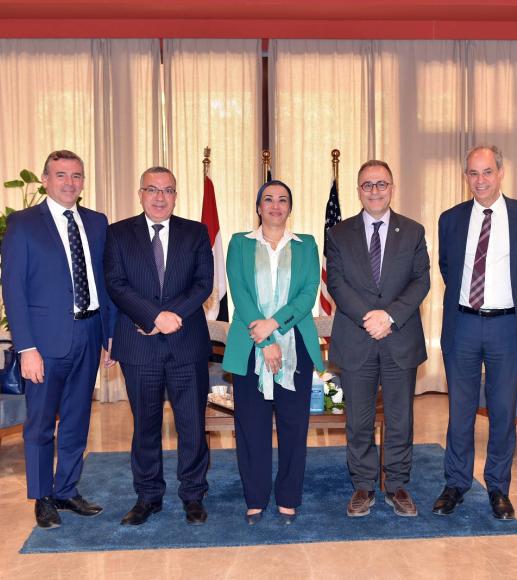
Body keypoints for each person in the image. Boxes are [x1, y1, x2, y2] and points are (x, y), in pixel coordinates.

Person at [1, 150, 116, 529]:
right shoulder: (23, 224)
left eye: (77, 176)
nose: (70, 183)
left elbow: (106, 282)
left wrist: (109, 334)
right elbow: (13, 289)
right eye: (62, 175)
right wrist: (26, 348)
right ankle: (42, 497)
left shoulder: (97, 222)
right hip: (44, 344)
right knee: (39, 424)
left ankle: (67, 489)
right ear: (46, 180)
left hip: (89, 332)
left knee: (77, 419)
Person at [433, 145, 517, 520]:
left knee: (501, 412)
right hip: (462, 324)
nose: (480, 181)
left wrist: (502, 305)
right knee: (460, 412)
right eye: (472, 174)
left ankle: (498, 487)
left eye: (486, 172)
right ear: (466, 177)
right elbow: (448, 268)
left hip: (505, 327)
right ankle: (456, 484)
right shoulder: (450, 219)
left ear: (500, 171)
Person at [104, 166, 213, 526]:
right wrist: (152, 317)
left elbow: (203, 284)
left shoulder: (195, 232)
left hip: (186, 344)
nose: (160, 197)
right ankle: (148, 496)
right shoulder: (118, 233)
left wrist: (170, 316)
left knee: (193, 426)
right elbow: (116, 284)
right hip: (139, 345)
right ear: (141, 193)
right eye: (152, 189)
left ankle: (193, 495)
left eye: (167, 190)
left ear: (176, 195)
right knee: (145, 426)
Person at [327, 160, 430, 518]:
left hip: (399, 337)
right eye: (367, 185)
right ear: (358, 190)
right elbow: (336, 283)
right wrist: (368, 318)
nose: (375, 191)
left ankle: (398, 484)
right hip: (357, 338)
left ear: (392, 188)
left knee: (400, 418)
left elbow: (421, 281)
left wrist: (389, 316)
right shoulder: (339, 234)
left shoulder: (413, 232)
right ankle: (363, 485)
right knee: (358, 419)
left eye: (381, 184)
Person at [222, 179, 323, 525]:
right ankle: (255, 497)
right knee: (252, 427)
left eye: (282, 200)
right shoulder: (239, 243)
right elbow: (240, 294)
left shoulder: (307, 245)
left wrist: (274, 324)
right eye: (268, 199)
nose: (276, 205)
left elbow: (308, 295)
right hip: (249, 348)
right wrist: (265, 340)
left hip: (297, 348)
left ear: (290, 208)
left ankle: (289, 496)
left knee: (294, 427)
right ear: (258, 206)